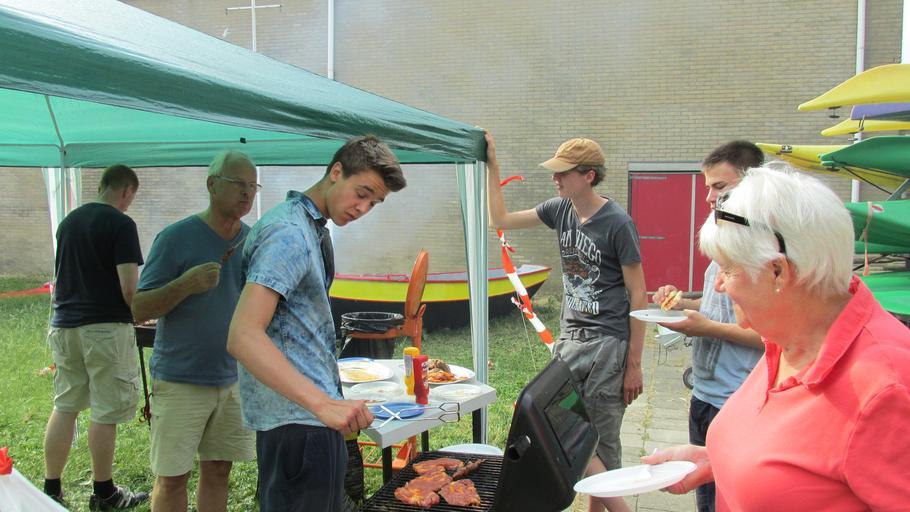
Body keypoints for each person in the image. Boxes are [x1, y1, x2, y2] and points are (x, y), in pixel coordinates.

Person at [643, 166, 910, 510]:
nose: (719, 286)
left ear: (778, 272)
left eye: (728, 269)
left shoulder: (885, 390)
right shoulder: (788, 340)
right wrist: (718, 460)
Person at [227, 135, 407, 512]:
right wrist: (322, 404)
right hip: (299, 425)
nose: (363, 208)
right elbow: (243, 335)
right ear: (336, 171)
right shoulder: (288, 233)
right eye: (362, 194)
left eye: (373, 203)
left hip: (308, 421)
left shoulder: (309, 227)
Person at [485, 131, 647, 512]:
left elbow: (639, 294)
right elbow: (500, 220)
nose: (555, 179)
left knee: (602, 439)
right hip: (571, 340)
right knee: (560, 423)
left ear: (588, 176)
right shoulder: (559, 210)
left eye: (563, 173)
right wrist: (493, 166)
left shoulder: (618, 223)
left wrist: (634, 364)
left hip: (608, 346)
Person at [132, 151, 257, 512]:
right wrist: (185, 284)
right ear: (212, 185)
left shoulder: (252, 241)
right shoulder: (175, 238)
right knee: (172, 479)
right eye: (239, 184)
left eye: (253, 186)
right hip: (181, 378)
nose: (247, 193)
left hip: (234, 378)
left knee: (219, 471)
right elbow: (139, 308)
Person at [651, 141, 765, 512]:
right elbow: (718, 305)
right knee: (706, 497)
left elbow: (771, 337)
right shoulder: (724, 239)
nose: (710, 198)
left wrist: (707, 328)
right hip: (704, 393)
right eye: (708, 188)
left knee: (729, 499)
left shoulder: (765, 253)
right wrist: (681, 304)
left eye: (719, 187)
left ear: (752, 184)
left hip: (737, 398)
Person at [42, 164, 149, 510]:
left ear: (102, 185)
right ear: (127, 191)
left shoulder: (69, 222)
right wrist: (143, 313)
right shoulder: (121, 224)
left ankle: (51, 488)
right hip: (104, 328)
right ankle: (105, 493)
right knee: (105, 410)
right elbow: (129, 288)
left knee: (66, 405)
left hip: (64, 325)